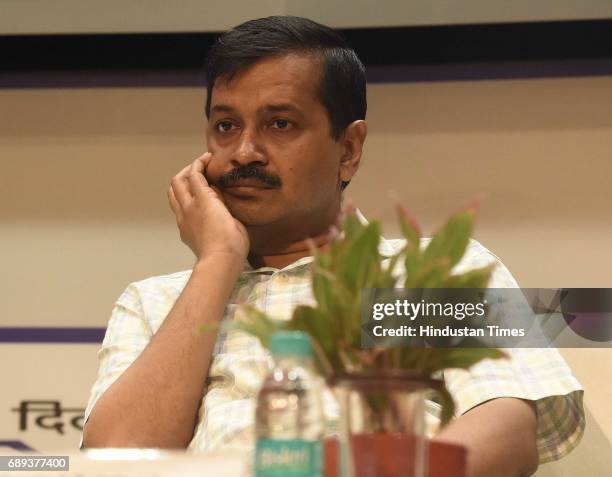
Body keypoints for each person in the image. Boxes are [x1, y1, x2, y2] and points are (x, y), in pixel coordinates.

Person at [81, 16, 584, 477]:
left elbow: (504, 434)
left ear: (349, 149)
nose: (244, 152)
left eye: (281, 124)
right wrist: (218, 260)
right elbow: (117, 463)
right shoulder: (155, 302)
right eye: (225, 126)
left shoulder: (424, 271)